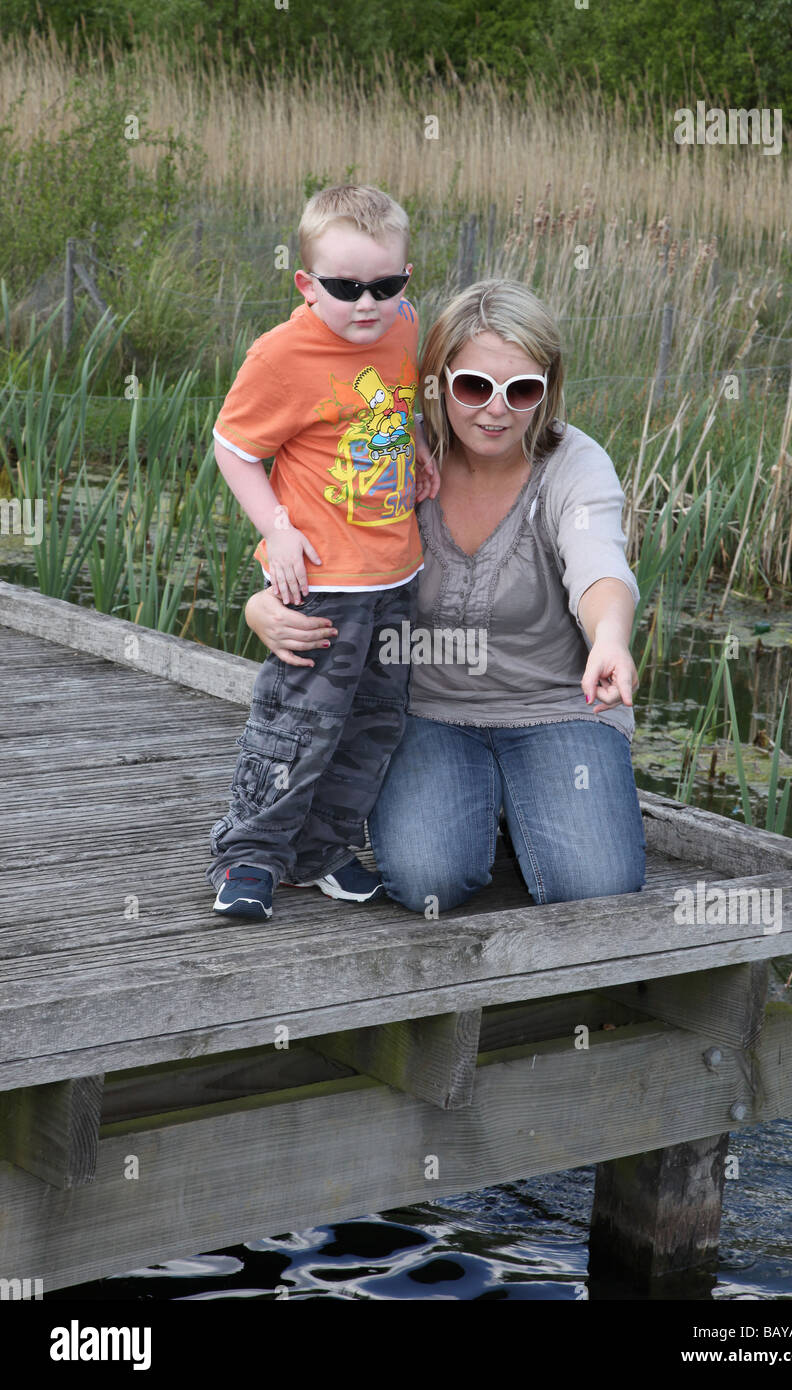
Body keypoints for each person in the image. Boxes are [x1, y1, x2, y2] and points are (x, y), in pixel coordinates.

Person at [243, 280, 646, 914]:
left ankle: (525, 805)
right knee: (428, 880)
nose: (496, 410)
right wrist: (262, 605)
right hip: (425, 710)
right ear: (438, 382)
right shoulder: (396, 454)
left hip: (557, 707)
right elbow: (316, 536)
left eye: (523, 390)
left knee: (596, 889)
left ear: (548, 388)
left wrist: (611, 639)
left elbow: (600, 564)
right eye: (473, 386)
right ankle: (496, 809)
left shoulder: (574, 463)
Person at [205, 184, 439, 920]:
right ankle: (250, 854)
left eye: (386, 284)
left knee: (373, 723)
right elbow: (234, 448)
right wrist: (276, 527)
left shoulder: (404, 328)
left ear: (405, 278)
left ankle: (321, 847)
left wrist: (423, 448)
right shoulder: (283, 354)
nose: (366, 303)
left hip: (396, 573)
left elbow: (400, 406)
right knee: (296, 729)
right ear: (308, 283)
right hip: (324, 582)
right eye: (344, 288)